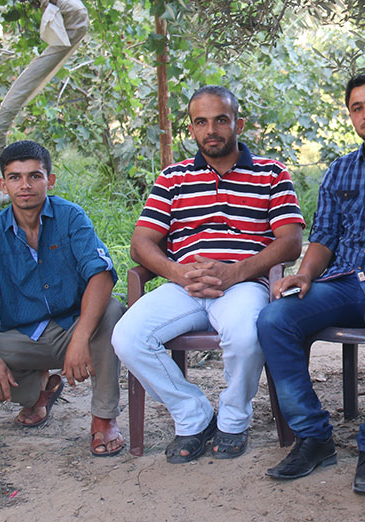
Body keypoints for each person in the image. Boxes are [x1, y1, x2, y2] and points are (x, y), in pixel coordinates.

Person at [258, 72, 365, 494]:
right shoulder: (340, 170)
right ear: (350, 115)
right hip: (342, 281)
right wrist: (304, 274)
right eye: (357, 107)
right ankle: (313, 437)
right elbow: (324, 237)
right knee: (273, 319)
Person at [111, 86, 304, 464]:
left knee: (247, 335)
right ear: (191, 129)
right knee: (127, 337)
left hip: (243, 284)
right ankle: (193, 415)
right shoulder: (173, 177)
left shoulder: (271, 173)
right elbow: (141, 243)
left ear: (238, 124)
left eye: (220, 120)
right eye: (201, 122)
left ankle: (233, 420)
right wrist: (177, 272)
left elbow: (291, 242)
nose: (211, 130)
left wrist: (236, 273)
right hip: (185, 284)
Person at [0, 140, 125, 457]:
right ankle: (36, 395)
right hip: (24, 336)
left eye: (34, 176)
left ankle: (103, 418)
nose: (25, 185)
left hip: (74, 327)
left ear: (49, 180)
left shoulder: (71, 217)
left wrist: (80, 338)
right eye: (15, 177)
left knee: (112, 310)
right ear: (3, 185)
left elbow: (100, 275)